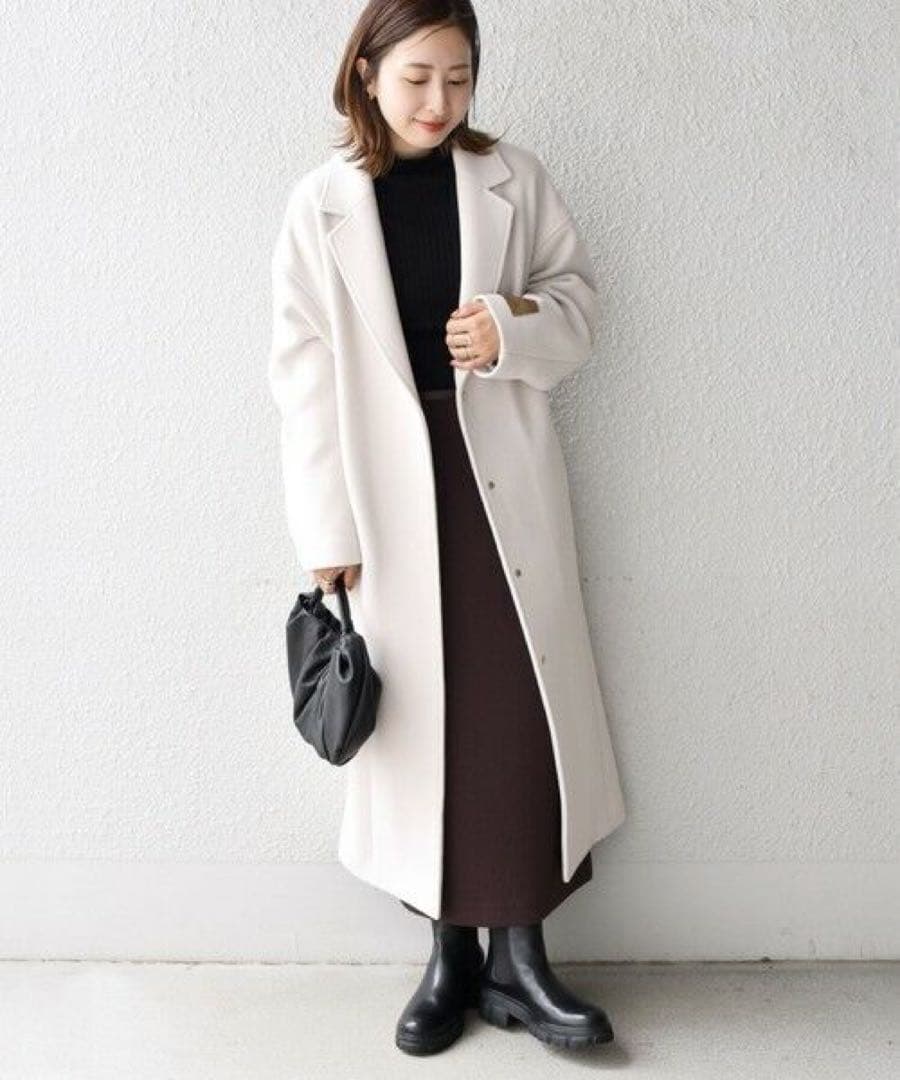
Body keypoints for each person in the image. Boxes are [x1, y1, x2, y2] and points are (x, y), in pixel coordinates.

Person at [268, 0, 627, 1056]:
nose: (440, 101)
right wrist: (325, 528)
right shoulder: (320, 205)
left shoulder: (512, 178)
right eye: (418, 78)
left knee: (516, 714)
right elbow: (302, 377)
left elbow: (580, 304)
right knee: (425, 723)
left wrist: (508, 328)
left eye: (460, 78)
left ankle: (521, 960)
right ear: (367, 74)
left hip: (496, 474)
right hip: (386, 494)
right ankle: (450, 960)